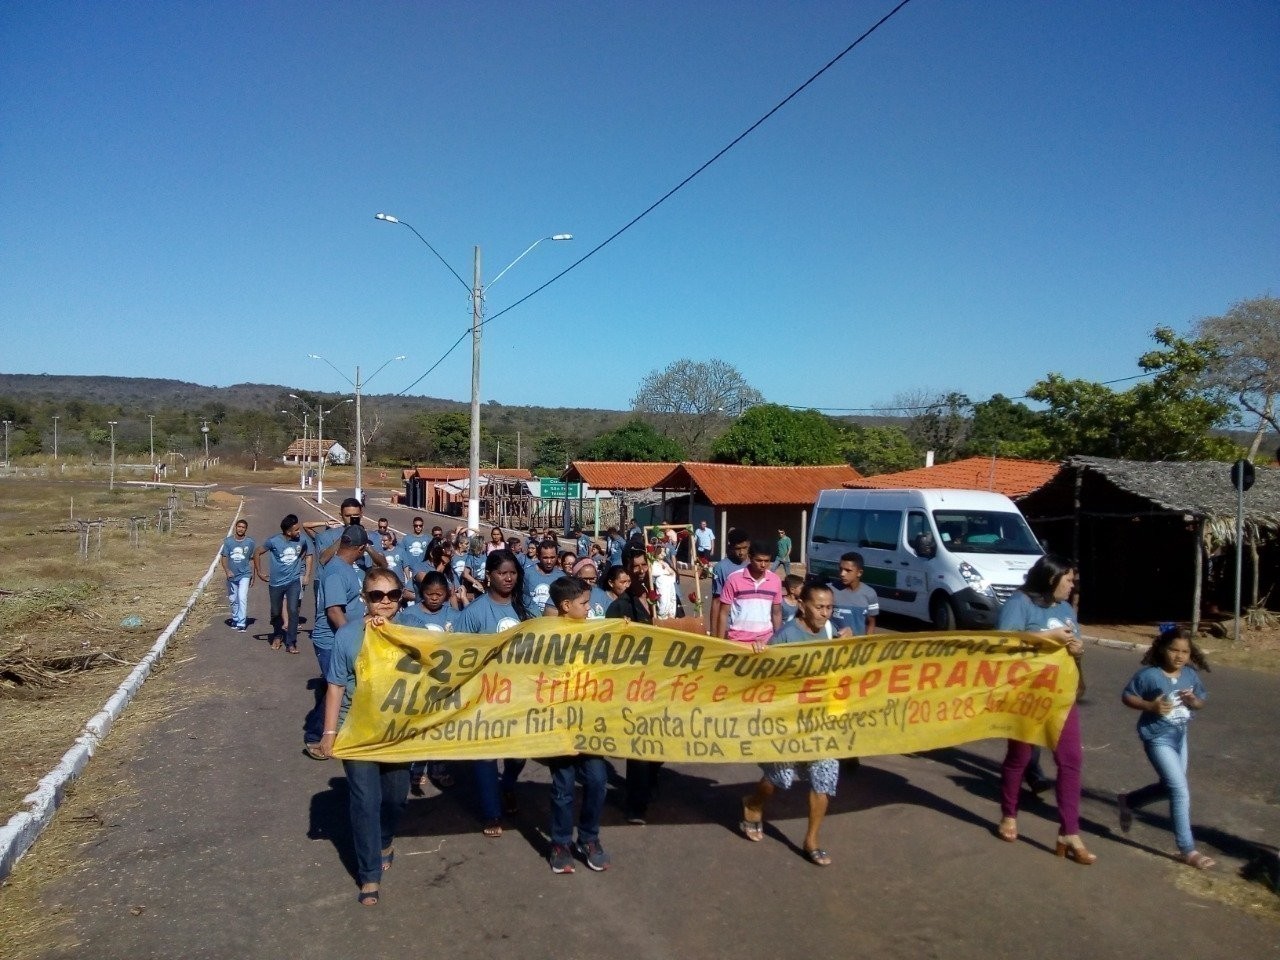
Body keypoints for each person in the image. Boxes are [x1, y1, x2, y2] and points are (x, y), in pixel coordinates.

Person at [317, 567, 410, 906]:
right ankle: (369, 874)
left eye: (392, 595)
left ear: (401, 597)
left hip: (398, 733)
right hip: (356, 731)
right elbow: (336, 685)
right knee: (365, 801)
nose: (385, 602)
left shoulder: (413, 632)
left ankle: (385, 839)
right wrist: (329, 733)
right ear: (364, 598)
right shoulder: (348, 636)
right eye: (377, 595)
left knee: (396, 797)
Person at [995, 555, 1094, 864]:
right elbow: (1002, 643)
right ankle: (1009, 814)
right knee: (1020, 756)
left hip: (1061, 697)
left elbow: (1073, 641)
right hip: (1026, 695)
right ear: (1051, 579)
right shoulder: (1021, 603)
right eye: (1068, 580)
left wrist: (1077, 648)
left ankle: (1069, 831)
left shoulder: (1065, 609)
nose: (1072, 585)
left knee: (1071, 759)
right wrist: (1047, 637)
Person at [741, 582, 839, 865]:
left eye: (829, 607)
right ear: (802, 605)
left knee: (824, 779)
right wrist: (761, 654)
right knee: (778, 778)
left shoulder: (831, 632)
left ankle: (812, 840)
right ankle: (753, 803)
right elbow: (762, 679)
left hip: (820, 721)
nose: (824, 613)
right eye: (819, 607)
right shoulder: (785, 636)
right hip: (787, 721)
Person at [1118, 625, 1214, 869]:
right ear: (1162, 649)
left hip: (1179, 737)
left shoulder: (1190, 676)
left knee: (1170, 787)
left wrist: (1195, 702)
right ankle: (1187, 850)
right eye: (1174, 650)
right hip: (1157, 738)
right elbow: (1127, 696)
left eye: (1185, 652)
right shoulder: (1149, 675)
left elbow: (1201, 701)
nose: (1179, 656)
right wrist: (1150, 706)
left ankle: (1129, 801)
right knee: (1180, 791)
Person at [454, 549, 529, 836]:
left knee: (518, 753)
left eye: (512, 573)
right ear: (489, 576)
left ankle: (508, 785)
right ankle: (491, 813)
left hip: (518, 695)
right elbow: (458, 652)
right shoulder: (474, 613)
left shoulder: (523, 610)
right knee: (486, 755)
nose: (508, 578)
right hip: (483, 696)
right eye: (502, 573)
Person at [543, 576, 611, 872]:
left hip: (589, 721)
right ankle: (560, 842)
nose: (589, 608)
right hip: (559, 724)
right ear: (566, 606)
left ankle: (588, 838)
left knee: (597, 781)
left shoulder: (595, 632)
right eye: (584, 604)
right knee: (564, 786)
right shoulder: (547, 636)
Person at [606, 548, 680, 823]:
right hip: (635, 684)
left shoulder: (667, 596)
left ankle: (652, 777)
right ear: (625, 568)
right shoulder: (620, 607)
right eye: (633, 566)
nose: (639, 570)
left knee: (662, 738)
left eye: (643, 565)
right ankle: (636, 804)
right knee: (638, 744)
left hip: (665, 679)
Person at [304, 525, 370, 760]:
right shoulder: (336, 572)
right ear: (360, 548)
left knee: (337, 686)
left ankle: (333, 732)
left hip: (338, 639)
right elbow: (333, 611)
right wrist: (350, 638)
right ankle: (315, 735)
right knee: (338, 687)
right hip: (331, 640)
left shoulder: (343, 567)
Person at [400, 570, 460, 794]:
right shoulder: (408, 615)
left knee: (440, 727)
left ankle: (439, 768)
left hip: (444, 684)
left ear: (446, 594)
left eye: (439, 594)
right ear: (421, 593)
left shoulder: (454, 616)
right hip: (418, 682)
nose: (434, 598)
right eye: (429, 594)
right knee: (419, 726)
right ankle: (416, 769)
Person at [254, 514, 312, 653]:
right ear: (288, 532)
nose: (299, 532)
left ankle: (291, 642)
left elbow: (308, 553)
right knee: (275, 612)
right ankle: (278, 634)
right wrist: (260, 573)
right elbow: (257, 552)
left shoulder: (302, 539)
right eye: (296, 530)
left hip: (293, 582)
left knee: (293, 611)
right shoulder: (274, 541)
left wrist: (306, 574)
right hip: (276, 584)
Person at [715, 540, 783, 649]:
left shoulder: (775, 581)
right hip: (737, 641)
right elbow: (723, 613)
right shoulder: (734, 579)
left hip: (766, 642)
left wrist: (779, 642)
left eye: (767, 561)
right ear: (750, 558)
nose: (763, 565)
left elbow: (777, 613)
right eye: (759, 560)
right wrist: (719, 644)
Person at [710, 528, 750, 631]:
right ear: (731, 547)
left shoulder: (753, 566)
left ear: (749, 545)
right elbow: (716, 601)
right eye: (737, 548)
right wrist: (714, 634)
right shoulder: (720, 568)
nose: (741, 552)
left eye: (744, 548)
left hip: (751, 629)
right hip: (730, 627)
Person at [219, 519, 255, 632]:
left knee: (242, 597)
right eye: (239, 526)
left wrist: (252, 575)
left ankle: (241, 622)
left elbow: (252, 559)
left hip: (245, 574)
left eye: (243, 527)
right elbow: (224, 557)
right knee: (233, 599)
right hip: (232, 575)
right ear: (235, 527)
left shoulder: (250, 542)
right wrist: (227, 570)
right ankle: (235, 618)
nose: (240, 529)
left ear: (246, 529)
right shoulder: (228, 542)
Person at [830, 552, 878, 636]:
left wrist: (867, 642)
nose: (842, 574)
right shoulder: (829, 590)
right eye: (841, 569)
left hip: (857, 646)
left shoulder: (870, 594)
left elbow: (871, 623)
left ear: (859, 573)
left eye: (848, 570)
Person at [523, 540, 566, 616]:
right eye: (545, 558)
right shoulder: (527, 574)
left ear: (557, 556)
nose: (549, 561)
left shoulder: (562, 577)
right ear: (538, 556)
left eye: (552, 557)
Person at [460, 535, 488, 599]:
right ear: (478, 545)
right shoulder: (470, 557)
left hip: (484, 583)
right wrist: (476, 582)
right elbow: (465, 574)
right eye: (484, 543)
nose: (485, 545)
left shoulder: (485, 556)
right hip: (474, 585)